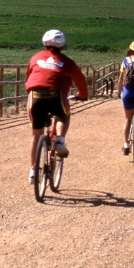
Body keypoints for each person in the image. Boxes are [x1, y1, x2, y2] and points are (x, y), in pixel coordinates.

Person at [25, 29, 89, 184]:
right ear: (62, 45)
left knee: (36, 135)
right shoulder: (67, 62)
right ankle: (59, 140)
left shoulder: (35, 58)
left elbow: (28, 79)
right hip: (56, 96)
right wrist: (82, 95)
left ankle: (33, 170)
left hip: (35, 97)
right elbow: (81, 81)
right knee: (63, 115)